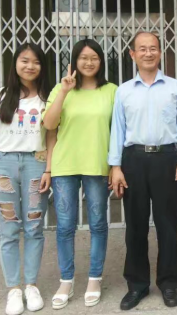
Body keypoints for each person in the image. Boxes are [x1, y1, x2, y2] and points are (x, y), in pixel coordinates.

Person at [109, 31, 177, 310]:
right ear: (132, 54)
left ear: (160, 52)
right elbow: (117, 130)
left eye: (153, 48)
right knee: (135, 226)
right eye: (142, 49)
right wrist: (115, 167)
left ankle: (168, 283)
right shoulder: (123, 91)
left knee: (167, 224)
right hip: (133, 160)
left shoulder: (175, 87)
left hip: (166, 159)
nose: (148, 53)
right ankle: (137, 285)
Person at [0, 43, 54, 316]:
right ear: (15, 63)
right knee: (7, 229)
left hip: (36, 163)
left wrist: (49, 170)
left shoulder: (48, 97)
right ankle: (14, 289)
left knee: (34, 227)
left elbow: (52, 136)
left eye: (36, 62)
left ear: (42, 66)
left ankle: (31, 285)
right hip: (3, 163)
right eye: (24, 60)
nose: (30, 66)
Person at [43, 39, 118, 310]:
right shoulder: (60, 88)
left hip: (98, 165)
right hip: (65, 165)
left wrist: (115, 165)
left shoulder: (112, 91)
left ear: (101, 61)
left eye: (94, 57)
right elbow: (49, 124)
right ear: (74, 60)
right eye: (83, 57)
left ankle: (94, 278)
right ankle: (66, 280)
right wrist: (64, 91)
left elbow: (118, 130)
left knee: (98, 224)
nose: (89, 62)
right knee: (65, 226)